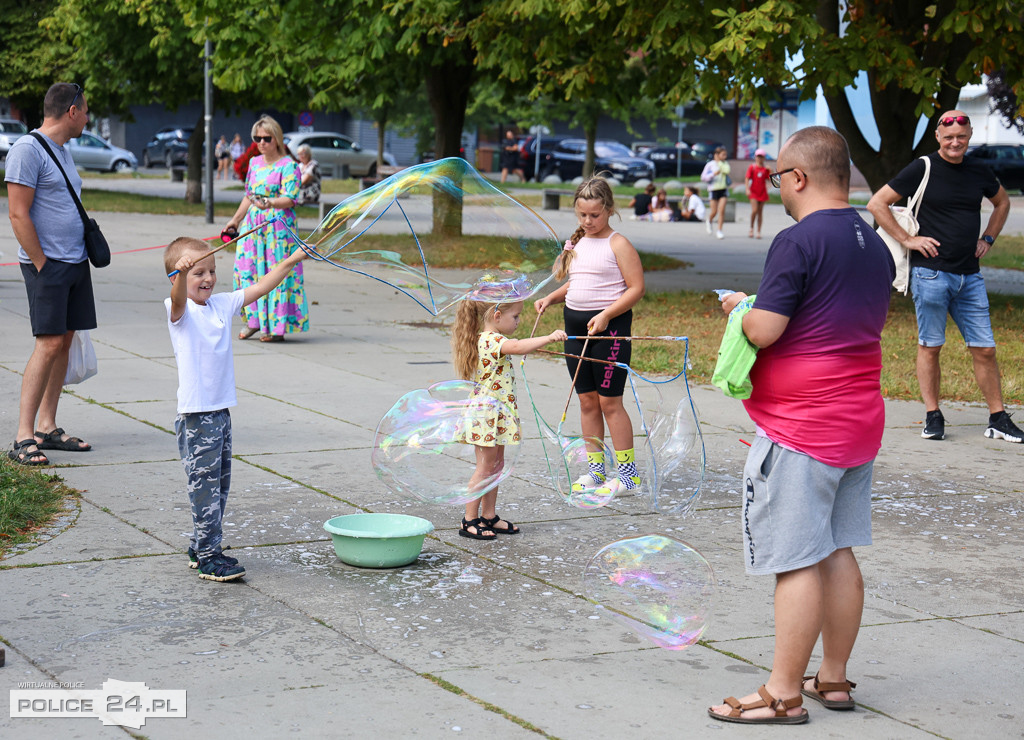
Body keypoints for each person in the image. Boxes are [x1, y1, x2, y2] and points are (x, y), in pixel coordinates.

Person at [708, 127, 894, 725]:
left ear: (799, 177)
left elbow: (766, 330)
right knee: (837, 547)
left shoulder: (798, 240)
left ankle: (783, 693)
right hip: (858, 420)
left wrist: (741, 310)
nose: (779, 187)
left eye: (781, 177)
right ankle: (832, 679)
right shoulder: (873, 238)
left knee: (796, 558)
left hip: (801, 428)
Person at [867, 111, 1021, 444]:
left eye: (961, 137)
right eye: (949, 137)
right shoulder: (922, 167)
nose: (955, 143)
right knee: (931, 346)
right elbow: (877, 203)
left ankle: (997, 417)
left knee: (985, 350)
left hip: (970, 277)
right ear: (938, 136)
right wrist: (908, 240)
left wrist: (989, 238)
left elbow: (1002, 203)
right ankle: (933, 416)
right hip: (931, 275)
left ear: (969, 136)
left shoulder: (978, 170)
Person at [164, 236, 309, 581]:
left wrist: (293, 260)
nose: (209, 278)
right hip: (197, 416)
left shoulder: (221, 305)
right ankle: (209, 557)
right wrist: (182, 278)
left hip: (220, 413)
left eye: (212, 270)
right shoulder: (180, 312)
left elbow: (261, 286)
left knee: (220, 485)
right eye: (198, 272)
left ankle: (200, 543)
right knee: (204, 487)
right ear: (178, 276)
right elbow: (177, 300)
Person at [534, 177, 645, 498]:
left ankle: (628, 476)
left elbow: (636, 288)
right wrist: (552, 298)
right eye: (582, 215)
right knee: (586, 402)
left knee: (610, 403)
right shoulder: (579, 242)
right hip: (575, 329)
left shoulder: (618, 244)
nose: (588, 221)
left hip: (609, 331)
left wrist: (608, 314)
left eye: (594, 215)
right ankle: (596, 472)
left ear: (609, 210)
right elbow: (578, 282)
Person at [5, 82, 95, 466]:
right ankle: (23, 437)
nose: (88, 118)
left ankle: (46, 426)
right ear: (71, 111)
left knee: (64, 341)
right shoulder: (27, 150)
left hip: (75, 262)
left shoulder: (62, 150)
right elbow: (17, 213)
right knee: (47, 343)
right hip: (49, 266)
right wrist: (42, 264)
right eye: (86, 110)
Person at [451, 299, 566, 539]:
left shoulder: (492, 340)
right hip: (487, 416)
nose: (519, 321)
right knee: (485, 468)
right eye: (515, 316)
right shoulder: (492, 340)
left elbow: (517, 346)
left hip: (497, 413)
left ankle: (489, 516)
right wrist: (550, 337)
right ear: (497, 315)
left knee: (495, 467)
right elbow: (519, 346)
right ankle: (469, 520)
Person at [225, 115, 309, 343]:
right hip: (253, 227)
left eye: (267, 138)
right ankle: (254, 322)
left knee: (276, 273)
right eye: (257, 138)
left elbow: (290, 199)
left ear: (277, 139)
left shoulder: (289, 166)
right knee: (248, 272)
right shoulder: (254, 163)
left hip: (278, 229)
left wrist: (270, 203)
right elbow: (249, 196)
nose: (261, 143)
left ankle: (276, 327)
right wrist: (235, 221)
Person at [701, 146, 731, 239]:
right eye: (723, 154)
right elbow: (703, 177)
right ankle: (709, 220)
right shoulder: (710, 164)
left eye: (725, 155)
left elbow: (727, 171)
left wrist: (721, 165)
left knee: (721, 210)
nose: (725, 156)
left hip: (723, 189)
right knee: (714, 211)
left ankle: (719, 230)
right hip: (713, 189)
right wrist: (713, 174)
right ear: (717, 155)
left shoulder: (725, 163)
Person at [746, 148, 770, 238]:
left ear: (764, 158)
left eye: (761, 157)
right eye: (758, 157)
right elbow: (747, 178)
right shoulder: (752, 167)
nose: (759, 159)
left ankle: (758, 231)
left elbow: (769, 179)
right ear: (755, 157)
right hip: (753, 192)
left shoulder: (765, 168)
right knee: (754, 210)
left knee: (760, 212)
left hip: (762, 192)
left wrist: (770, 170)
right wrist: (747, 189)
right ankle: (751, 228)